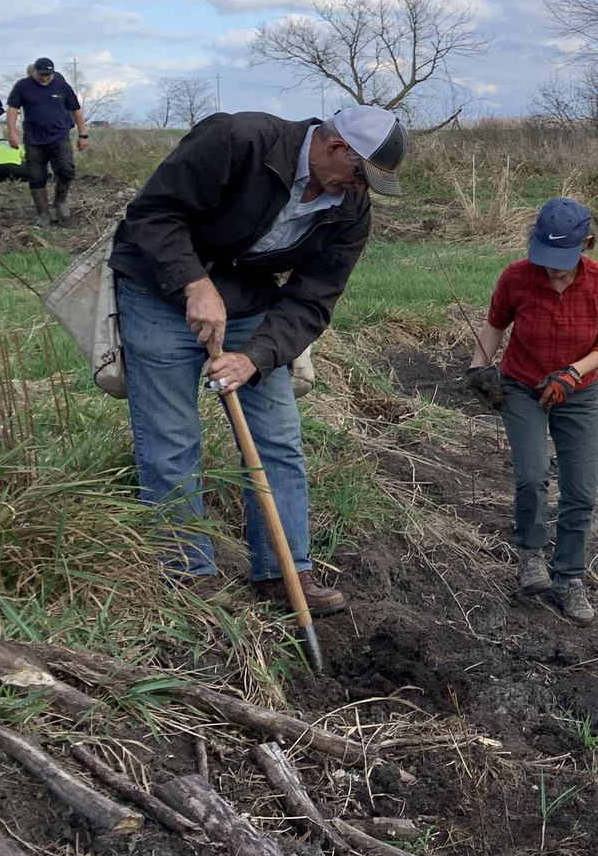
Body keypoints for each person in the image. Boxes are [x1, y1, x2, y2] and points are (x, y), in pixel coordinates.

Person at [111, 105, 408, 608]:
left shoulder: (350, 208)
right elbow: (153, 214)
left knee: (278, 440)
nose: (359, 189)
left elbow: (314, 297)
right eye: (359, 175)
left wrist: (255, 358)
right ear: (336, 147)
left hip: (249, 304)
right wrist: (194, 283)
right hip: (158, 289)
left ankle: (282, 573)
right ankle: (187, 575)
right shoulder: (239, 138)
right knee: (172, 438)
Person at [466, 198, 598, 628]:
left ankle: (568, 578)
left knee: (581, 492)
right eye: (546, 259)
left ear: (586, 244)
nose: (553, 269)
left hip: (579, 392)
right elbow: (495, 325)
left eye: (563, 261)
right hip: (521, 385)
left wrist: (573, 373)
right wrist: (479, 369)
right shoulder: (516, 277)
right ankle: (531, 554)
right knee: (533, 474)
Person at [8, 57, 87, 227]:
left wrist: (83, 135)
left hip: (59, 137)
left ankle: (60, 203)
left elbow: (77, 111)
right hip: (33, 140)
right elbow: (13, 109)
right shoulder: (23, 86)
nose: (45, 78)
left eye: (48, 75)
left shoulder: (62, 86)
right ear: (34, 71)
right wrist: (12, 133)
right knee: (36, 177)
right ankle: (43, 215)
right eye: (42, 74)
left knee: (66, 170)